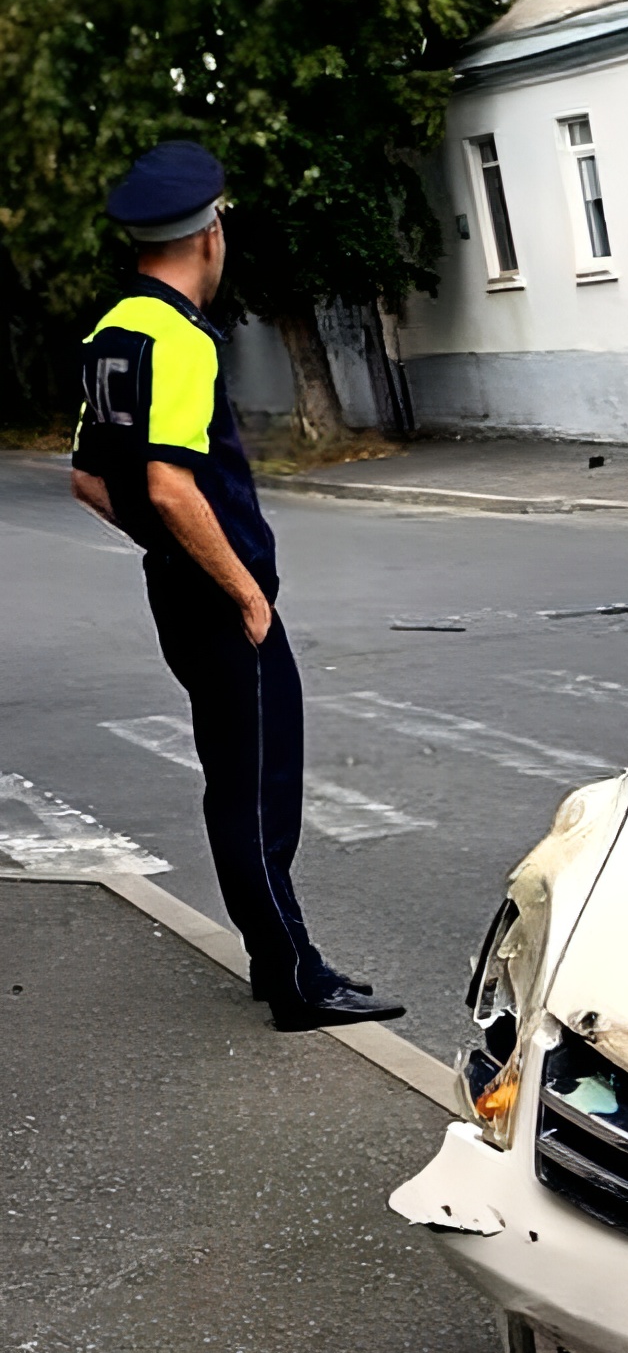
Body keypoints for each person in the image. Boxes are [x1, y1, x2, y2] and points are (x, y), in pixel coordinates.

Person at [71, 139, 404, 1030]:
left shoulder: (112, 335)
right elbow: (173, 483)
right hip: (223, 602)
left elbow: (95, 479)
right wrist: (244, 592)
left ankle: (278, 961)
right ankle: (295, 978)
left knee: (239, 777)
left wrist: (171, 552)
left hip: (178, 591)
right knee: (257, 790)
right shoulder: (178, 341)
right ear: (209, 233)